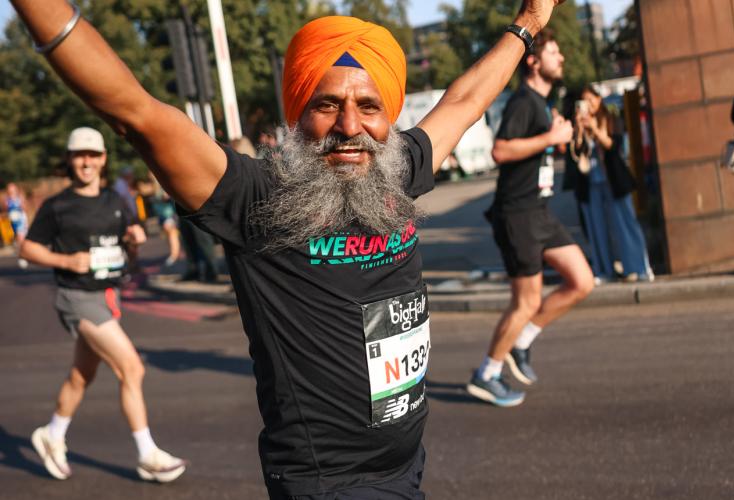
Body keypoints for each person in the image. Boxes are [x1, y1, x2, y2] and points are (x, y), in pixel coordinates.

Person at [12, 0, 564, 496]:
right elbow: (134, 111)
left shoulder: (399, 169)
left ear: (388, 116)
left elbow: (466, 99)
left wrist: (530, 21)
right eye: (327, 104)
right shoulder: (255, 197)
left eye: (368, 107)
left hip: (406, 465)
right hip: (328, 485)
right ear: (298, 114)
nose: (350, 126)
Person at [19, 127, 186, 483]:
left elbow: (130, 241)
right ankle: (148, 454)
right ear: (69, 159)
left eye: (93, 155)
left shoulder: (115, 200)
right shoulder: (57, 205)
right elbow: (27, 248)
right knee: (132, 368)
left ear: (103, 160)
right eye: (79, 155)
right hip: (77, 297)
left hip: (108, 295)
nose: (86, 162)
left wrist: (136, 240)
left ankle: (52, 434)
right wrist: (66, 262)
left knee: (82, 375)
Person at [468, 31, 594, 407]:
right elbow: (500, 150)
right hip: (517, 214)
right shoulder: (523, 101)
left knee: (582, 280)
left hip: (539, 211)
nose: (562, 59)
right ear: (533, 62)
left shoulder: (541, 102)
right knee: (525, 303)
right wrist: (549, 138)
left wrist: (559, 135)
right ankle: (486, 374)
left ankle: (520, 345)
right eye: (554, 53)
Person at [566, 85, 653, 283]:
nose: (588, 104)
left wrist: (595, 129)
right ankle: (604, 269)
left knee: (625, 223)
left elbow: (612, 146)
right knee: (597, 227)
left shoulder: (610, 119)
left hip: (614, 179)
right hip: (591, 182)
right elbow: (576, 152)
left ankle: (638, 267)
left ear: (598, 99)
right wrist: (579, 129)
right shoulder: (580, 123)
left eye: (591, 99)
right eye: (584, 100)